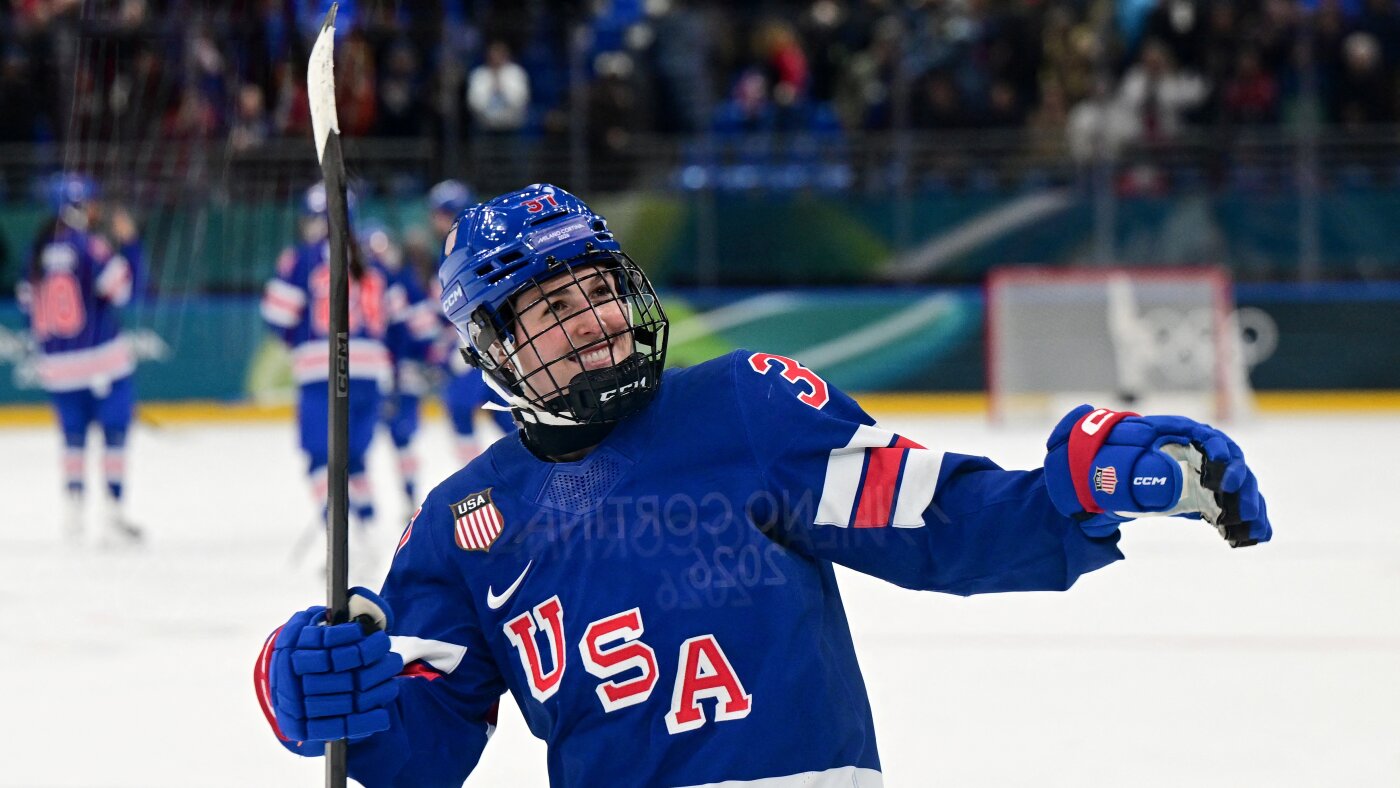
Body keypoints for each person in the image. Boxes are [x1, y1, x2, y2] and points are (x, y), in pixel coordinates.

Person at [254, 184, 1272, 787]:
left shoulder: (743, 406)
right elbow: (414, 752)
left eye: (599, 288)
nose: (597, 318)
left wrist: (1072, 492)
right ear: (491, 346)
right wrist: (326, 692)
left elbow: (940, 522)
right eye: (552, 306)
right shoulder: (461, 525)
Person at [18, 172, 144, 545]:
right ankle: (112, 511)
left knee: (72, 438)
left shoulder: (36, 251)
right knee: (114, 436)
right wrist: (131, 244)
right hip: (101, 362)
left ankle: (73, 510)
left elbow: (30, 308)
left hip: (58, 368)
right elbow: (122, 290)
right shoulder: (89, 246)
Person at [260, 183, 391, 542]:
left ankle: (342, 537)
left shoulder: (303, 257)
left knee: (320, 459)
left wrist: (295, 341)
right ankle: (369, 528)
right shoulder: (371, 254)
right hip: (371, 371)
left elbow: (277, 315)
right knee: (356, 459)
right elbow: (391, 318)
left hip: (323, 369)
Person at [425, 179, 516, 463]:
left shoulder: (463, 254)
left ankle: (478, 483)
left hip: (477, 346)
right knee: (504, 413)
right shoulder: (458, 251)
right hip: (485, 345)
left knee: (465, 409)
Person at [364, 219, 439, 513]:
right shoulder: (401, 281)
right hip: (392, 372)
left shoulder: (400, 282)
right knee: (398, 438)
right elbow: (422, 333)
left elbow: (420, 331)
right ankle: (371, 508)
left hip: (390, 373)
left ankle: (365, 511)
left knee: (397, 437)